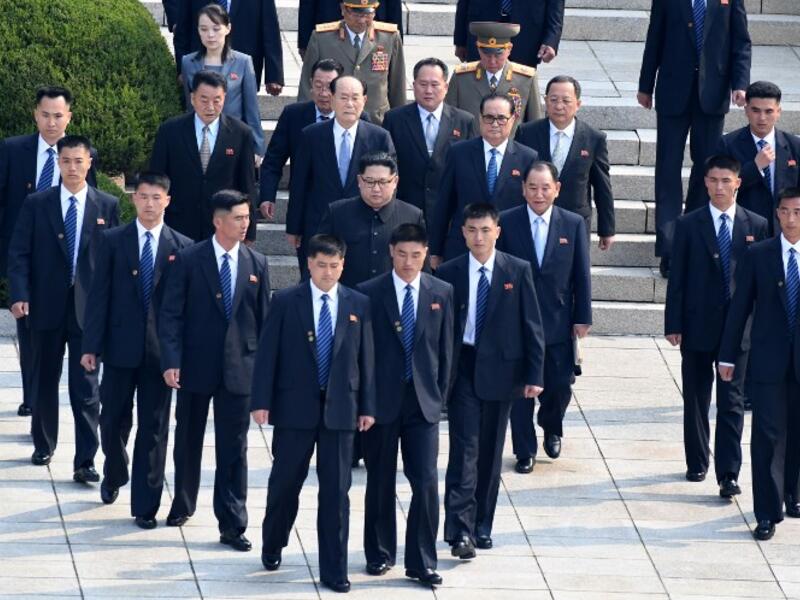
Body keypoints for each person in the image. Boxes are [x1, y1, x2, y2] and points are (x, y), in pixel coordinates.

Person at [251, 234, 375, 594]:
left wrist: (367, 406)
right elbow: (267, 354)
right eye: (321, 265)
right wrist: (261, 401)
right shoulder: (287, 301)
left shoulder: (358, 304)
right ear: (308, 264)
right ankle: (273, 543)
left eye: (334, 266)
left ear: (343, 265)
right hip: (294, 409)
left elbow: (366, 360)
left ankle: (334, 568)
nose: (327, 272)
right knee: (285, 483)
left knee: (337, 493)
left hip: (341, 412)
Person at [159, 190, 271, 550]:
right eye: (237, 218)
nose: (244, 225)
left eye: (246, 218)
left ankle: (233, 522)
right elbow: (171, 314)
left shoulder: (257, 263)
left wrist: (265, 376)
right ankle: (183, 502)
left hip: (241, 368)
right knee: (188, 439)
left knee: (234, 448)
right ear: (217, 221)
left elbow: (264, 322)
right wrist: (171, 359)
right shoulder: (189, 260)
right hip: (195, 365)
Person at [80, 173, 193, 528]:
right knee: (112, 419)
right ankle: (115, 471)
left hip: (161, 355)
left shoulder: (182, 247)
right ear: (133, 199)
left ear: (167, 201)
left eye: (156, 197)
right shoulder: (113, 241)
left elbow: (186, 309)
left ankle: (146, 505)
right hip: (118, 347)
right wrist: (91, 346)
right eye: (142, 196)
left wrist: (179, 357)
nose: (149, 204)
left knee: (154, 428)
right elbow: (98, 297)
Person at [435, 203, 544, 558]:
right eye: (471, 230)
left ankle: (482, 524)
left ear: (497, 230)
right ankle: (459, 531)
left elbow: (532, 326)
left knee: (491, 454)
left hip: (502, 372)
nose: (478, 237)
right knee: (464, 451)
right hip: (463, 368)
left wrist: (534, 374)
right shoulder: (450, 272)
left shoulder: (517, 270)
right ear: (462, 232)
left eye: (485, 230)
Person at [7, 135, 119, 478]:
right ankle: (44, 444)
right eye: (66, 161)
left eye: (79, 161)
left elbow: (113, 260)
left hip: (89, 312)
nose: (72, 167)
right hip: (45, 305)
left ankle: (85, 460)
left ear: (89, 164)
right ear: (58, 163)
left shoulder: (107, 205)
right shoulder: (37, 203)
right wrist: (19, 294)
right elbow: (19, 253)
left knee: (86, 387)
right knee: (44, 379)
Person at [356, 224, 453, 585]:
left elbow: (446, 352)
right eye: (401, 254)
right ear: (391, 253)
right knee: (379, 480)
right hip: (381, 404)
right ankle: (379, 553)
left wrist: (439, 396)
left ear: (426, 254)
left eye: (416, 255)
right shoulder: (368, 294)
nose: (408, 262)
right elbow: (361, 355)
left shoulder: (440, 292)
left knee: (426, 482)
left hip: (423, 405)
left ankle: (422, 560)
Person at [666, 155, 768, 495]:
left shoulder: (755, 225)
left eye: (726, 180)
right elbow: (677, 278)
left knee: (732, 401)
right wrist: (673, 323)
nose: (720, 187)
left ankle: (729, 473)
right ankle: (697, 461)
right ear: (704, 182)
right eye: (713, 180)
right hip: (697, 325)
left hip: (738, 331)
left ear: (739, 182)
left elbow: (760, 285)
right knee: (695, 397)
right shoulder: (688, 224)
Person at [0, 86, 97, 418]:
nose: (52, 122)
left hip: (67, 263)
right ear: (35, 115)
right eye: (45, 115)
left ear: (69, 116)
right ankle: (33, 395)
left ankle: (43, 398)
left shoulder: (81, 155)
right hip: (26, 258)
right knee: (29, 335)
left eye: (58, 115)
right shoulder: (13, 151)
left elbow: (92, 208)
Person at [637, 0, 751, 277]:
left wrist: (740, 84)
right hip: (672, 91)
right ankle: (669, 247)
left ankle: (693, 242)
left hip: (712, 94)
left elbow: (741, 41)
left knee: (708, 169)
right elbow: (655, 37)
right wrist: (645, 85)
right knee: (667, 168)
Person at [498, 162, 591, 473]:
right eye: (533, 187)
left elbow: (581, 272)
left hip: (558, 318)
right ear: (523, 188)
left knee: (560, 383)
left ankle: (552, 425)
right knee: (519, 388)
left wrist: (582, 317)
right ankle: (525, 450)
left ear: (557, 189)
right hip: (517, 319)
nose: (539, 194)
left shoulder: (573, 223)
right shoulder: (507, 222)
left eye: (545, 187)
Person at [719, 188, 800, 541]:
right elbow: (739, 309)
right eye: (784, 212)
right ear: (776, 214)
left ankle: (793, 494)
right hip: (767, 363)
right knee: (767, 437)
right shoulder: (759, 255)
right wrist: (727, 355)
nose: (791, 219)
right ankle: (766, 512)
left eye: (797, 212)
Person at [287, 76, 395, 275]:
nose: (350, 104)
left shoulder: (379, 137)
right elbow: (299, 183)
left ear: (365, 100)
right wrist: (294, 227)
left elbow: (390, 184)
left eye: (355, 98)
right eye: (343, 97)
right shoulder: (311, 135)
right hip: (319, 223)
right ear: (332, 98)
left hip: (363, 224)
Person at [429, 93, 537, 265]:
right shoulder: (459, 153)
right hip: (463, 247)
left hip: (508, 248)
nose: (495, 124)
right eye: (489, 118)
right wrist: (435, 250)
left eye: (501, 118)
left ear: (513, 119)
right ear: (480, 119)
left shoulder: (528, 157)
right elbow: (444, 202)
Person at [150, 70, 257, 242]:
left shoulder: (240, 133)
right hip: (178, 223)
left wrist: (250, 231)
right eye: (204, 100)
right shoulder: (170, 131)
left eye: (217, 100)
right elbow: (156, 178)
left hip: (222, 224)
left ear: (225, 98)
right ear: (192, 98)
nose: (210, 107)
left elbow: (247, 184)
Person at [516, 75, 615, 250]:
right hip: (533, 217)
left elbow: (602, 185)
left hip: (575, 219)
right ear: (545, 101)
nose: (559, 106)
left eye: (566, 100)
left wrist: (606, 229)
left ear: (578, 104)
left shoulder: (593, 138)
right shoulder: (527, 133)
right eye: (553, 100)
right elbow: (517, 179)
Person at [382, 58, 477, 220]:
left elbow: (470, 167)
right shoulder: (394, 119)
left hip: (448, 209)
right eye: (423, 84)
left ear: (446, 87)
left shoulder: (464, 121)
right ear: (413, 85)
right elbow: (387, 163)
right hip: (405, 207)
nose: (428, 90)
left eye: (435, 84)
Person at [317, 152, 425, 287]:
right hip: (348, 300)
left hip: (392, 301)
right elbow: (318, 260)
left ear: (395, 181)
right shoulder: (337, 213)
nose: (376, 188)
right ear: (359, 181)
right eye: (369, 181)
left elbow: (422, 269)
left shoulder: (412, 216)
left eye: (383, 182)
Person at [259, 59, 345, 220]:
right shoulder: (294, 115)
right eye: (318, 86)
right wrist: (267, 196)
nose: (324, 93)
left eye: (329, 86)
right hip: (306, 206)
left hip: (344, 206)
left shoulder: (356, 118)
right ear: (311, 84)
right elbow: (273, 161)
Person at [297, 0, 406, 124]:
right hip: (333, 122)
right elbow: (307, 85)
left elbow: (397, 85)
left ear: (375, 12)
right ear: (343, 9)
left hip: (376, 121)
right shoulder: (322, 38)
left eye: (367, 14)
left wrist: (399, 122)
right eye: (356, 14)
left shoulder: (389, 37)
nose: (361, 20)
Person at [181, 4, 266, 160]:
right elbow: (189, 105)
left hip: (233, 138)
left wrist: (257, 147)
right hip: (201, 138)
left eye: (216, 28)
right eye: (204, 29)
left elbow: (251, 109)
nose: (210, 35)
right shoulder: (188, 62)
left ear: (228, 28)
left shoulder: (243, 62)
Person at [717, 81, 800, 234]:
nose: (762, 118)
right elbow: (721, 189)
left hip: (786, 232)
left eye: (769, 111)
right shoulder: (728, 144)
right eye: (756, 110)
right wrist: (755, 167)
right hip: (746, 231)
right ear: (746, 110)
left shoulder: (795, 146)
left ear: (778, 112)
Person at [445, 22, 541, 136]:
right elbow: (449, 119)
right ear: (478, 49)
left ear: (509, 49)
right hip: (470, 149)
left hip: (511, 150)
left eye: (498, 55)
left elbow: (534, 124)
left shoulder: (526, 79)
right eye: (487, 55)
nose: (492, 61)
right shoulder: (462, 77)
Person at [173, 0, 284, 93]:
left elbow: (270, 29)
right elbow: (182, 29)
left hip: (244, 66)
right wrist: (182, 69)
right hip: (201, 64)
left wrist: (274, 75)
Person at [453, 0, 564, 68]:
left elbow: (555, 6)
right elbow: (463, 3)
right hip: (482, 28)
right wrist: (460, 40)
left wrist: (551, 41)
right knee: (478, 89)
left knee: (519, 91)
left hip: (527, 34)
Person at [298, 0, 403, 57]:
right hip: (329, 25)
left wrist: (396, 43)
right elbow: (307, 4)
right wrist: (305, 42)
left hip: (372, 26)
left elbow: (394, 6)